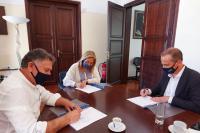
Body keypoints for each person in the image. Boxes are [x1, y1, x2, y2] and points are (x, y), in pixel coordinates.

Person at [0, 48, 81, 133]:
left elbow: (48, 96)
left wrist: (67, 102)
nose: (49, 74)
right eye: (46, 70)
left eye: (50, 71)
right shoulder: (15, 90)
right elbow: (32, 130)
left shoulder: (30, 80)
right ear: (31, 66)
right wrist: (68, 118)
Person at [140, 47, 200, 113]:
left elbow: (196, 105)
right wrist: (148, 91)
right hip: (161, 109)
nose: (163, 68)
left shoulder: (195, 77)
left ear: (179, 62)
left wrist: (168, 99)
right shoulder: (168, 72)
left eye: (166, 65)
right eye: (162, 64)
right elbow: (159, 87)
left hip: (180, 113)